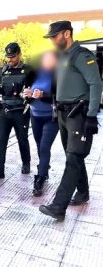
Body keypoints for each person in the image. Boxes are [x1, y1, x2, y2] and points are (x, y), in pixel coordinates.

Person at [40, 21, 102, 220]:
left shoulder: (81, 55)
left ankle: (59, 206)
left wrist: (92, 115)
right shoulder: (62, 57)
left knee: (73, 158)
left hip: (79, 115)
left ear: (66, 34)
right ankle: (82, 193)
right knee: (73, 156)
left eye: (54, 36)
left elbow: (96, 84)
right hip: (63, 114)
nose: (52, 40)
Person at [0, 42, 36, 181]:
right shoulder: (4, 70)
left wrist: (33, 96)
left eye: (13, 57)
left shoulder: (28, 70)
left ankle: (26, 163)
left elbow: (36, 88)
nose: (10, 60)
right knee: (1, 141)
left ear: (19, 54)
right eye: (8, 57)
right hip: (5, 111)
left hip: (21, 111)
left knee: (22, 139)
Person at [23, 51, 59, 196]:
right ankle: (44, 167)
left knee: (44, 147)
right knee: (39, 145)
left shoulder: (58, 75)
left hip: (51, 117)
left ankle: (40, 179)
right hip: (35, 115)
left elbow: (60, 96)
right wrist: (27, 95)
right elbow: (25, 94)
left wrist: (43, 95)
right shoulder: (34, 74)